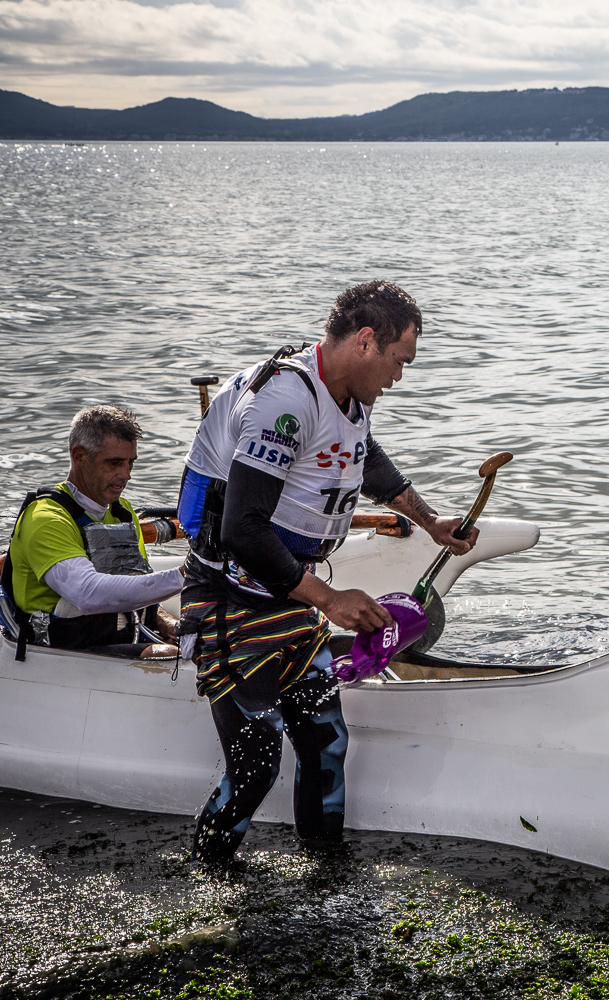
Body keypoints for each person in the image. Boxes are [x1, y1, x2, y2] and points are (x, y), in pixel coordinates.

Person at [177, 279, 476, 863]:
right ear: (366, 341)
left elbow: (365, 460)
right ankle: (208, 882)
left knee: (327, 743)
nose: (399, 377)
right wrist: (330, 599)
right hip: (229, 599)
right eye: (398, 361)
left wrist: (434, 523)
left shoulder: (350, 396)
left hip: (290, 592)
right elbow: (243, 529)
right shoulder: (285, 400)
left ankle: (327, 874)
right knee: (256, 764)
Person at [0, 405, 184, 660]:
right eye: (115, 463)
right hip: (57, 654)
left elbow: (129, 580)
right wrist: (184, 576)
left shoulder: (123, 512)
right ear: (79, 456)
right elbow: (88, 594)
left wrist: (164, 621)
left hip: (110, 642)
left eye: (130, 463)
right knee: (175, 656)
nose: (125, 475)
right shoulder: (46, 519)